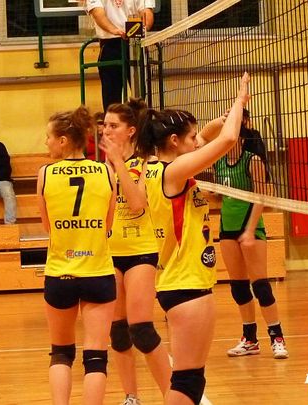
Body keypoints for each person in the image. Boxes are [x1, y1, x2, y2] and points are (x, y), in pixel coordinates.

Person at [137, 72, 251, 405]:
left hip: (179, 283)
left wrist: (217, 121)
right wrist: (240, 100)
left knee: (191, 379)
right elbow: (227, 141)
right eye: (189, 138)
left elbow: (204, 138)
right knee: (187, 381)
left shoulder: (156, 166)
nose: (195, 142)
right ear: (174, 141)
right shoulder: (174, 172)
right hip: (186, 285)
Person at [37, 105, 117, 405]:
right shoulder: (106, 171)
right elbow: (108, 225)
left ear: (63, 140)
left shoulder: (45, 174)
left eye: (48, 137)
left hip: (60, 272)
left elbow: (47, 225)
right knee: (96, 357)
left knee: (60, 352)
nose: (46, 142)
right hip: (98, 271)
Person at [99, 99, 171, 405]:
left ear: (130, 131)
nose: (106, 130)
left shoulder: (146, 163)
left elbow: (138, 204)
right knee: (118, 332)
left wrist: (118, 163)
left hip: (142, 252)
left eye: (113, 126)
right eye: (104, 125)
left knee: (141, 329)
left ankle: (172, 395)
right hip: (110, 253)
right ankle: (131, 397)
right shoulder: (102, 168)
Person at [214, 112, 289, 360]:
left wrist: (249, 229)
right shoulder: (218, 160)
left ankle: (277, 337)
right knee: (238, 288)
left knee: (261, 286)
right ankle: (250, 339)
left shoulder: (252, 160)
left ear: (241, 136)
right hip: (227, 228)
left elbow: (260, 197)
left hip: (251, 228)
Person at [86, 0, 154, 111]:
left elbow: (147, 12)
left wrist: (143, 27)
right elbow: (98, 13)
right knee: (111, 96)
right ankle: (113, 119)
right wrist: (115, 30)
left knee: (140, 95)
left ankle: (141, 119)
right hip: (110, 45)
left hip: (136, 43)